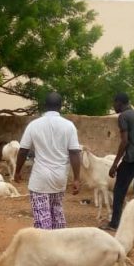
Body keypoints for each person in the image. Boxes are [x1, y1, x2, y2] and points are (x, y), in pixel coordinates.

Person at [14, 92, 81, 230]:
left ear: (45, 106)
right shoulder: (69, 126)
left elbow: (23, 150)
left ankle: (46, 248)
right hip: (59, 177)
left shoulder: (34, 125)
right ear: (60, 106)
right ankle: (59, 247)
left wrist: (17, 171)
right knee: (57, 214)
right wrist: (76, 179)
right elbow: (74, 152)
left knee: (42, 220)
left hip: (40, 178)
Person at [102, 92, 134, 231]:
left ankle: (114, 224)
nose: (113, 106)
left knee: (119, 189)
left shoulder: (123, 116)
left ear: (119, 102)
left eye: (114, 102)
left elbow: (124, 141)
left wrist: (115, 165)